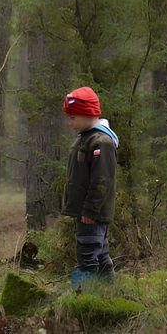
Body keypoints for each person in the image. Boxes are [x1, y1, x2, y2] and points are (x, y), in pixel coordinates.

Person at [61, 86, 119, 288]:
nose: (69, 123)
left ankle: (82, 293)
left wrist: (90, 209)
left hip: (92, 211)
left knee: (87, 252)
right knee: (99, 250)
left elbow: (102, 180)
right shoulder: (85, 138)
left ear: (87, 114)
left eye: (73, 118)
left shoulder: (101, 141)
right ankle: (108, 289)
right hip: (87, 210)